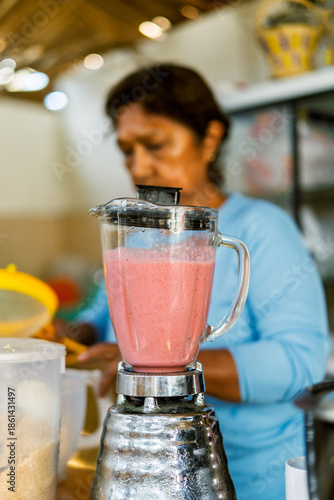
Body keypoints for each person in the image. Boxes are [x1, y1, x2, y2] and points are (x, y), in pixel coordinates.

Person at [77, 64, 329, 500]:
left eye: (155, 144)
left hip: (255, 481)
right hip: (152, 477)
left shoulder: (264, 229)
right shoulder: (138, 236)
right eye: (127, 150)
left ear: (209, 139)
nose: (139, 165)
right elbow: (100, 316)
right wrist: (66, 335)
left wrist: (163, 368)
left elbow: (300, 361)